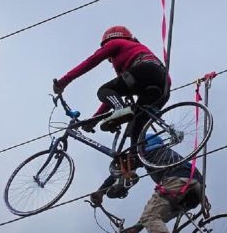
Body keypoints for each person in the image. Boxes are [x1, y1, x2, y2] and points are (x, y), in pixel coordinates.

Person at [91, 134, 206, 233]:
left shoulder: (148, 153)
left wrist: (101, 190)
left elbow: (122, 168)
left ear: (144, 145)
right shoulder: (164, 154)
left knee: (150, 215)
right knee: (154, 216)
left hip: (177, 181)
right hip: (196, 189)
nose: (134, 151)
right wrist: (137, 228)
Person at [53, 25, 170, 159]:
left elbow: (91, 62)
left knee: (103, 91)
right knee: (136, 127)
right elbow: (116, 93)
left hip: (145, 70)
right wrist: (94, 120)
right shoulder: (134, 49)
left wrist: (63, 82)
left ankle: (120, 108)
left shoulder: (116, 43)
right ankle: (134, 160)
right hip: (162, 86)